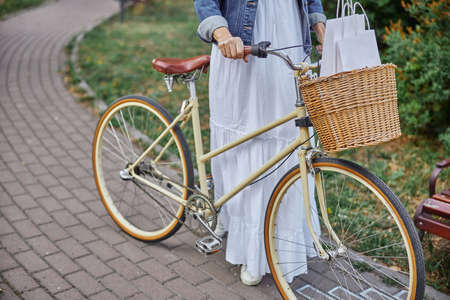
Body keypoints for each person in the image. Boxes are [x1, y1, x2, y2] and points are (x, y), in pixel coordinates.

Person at [194, 0, 326, 286]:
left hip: (289, 43)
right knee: (249, 141)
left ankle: (285, 240)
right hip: (242, 53)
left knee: (291, 140)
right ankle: (251, 251)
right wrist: (222, 34)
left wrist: (320, 25)